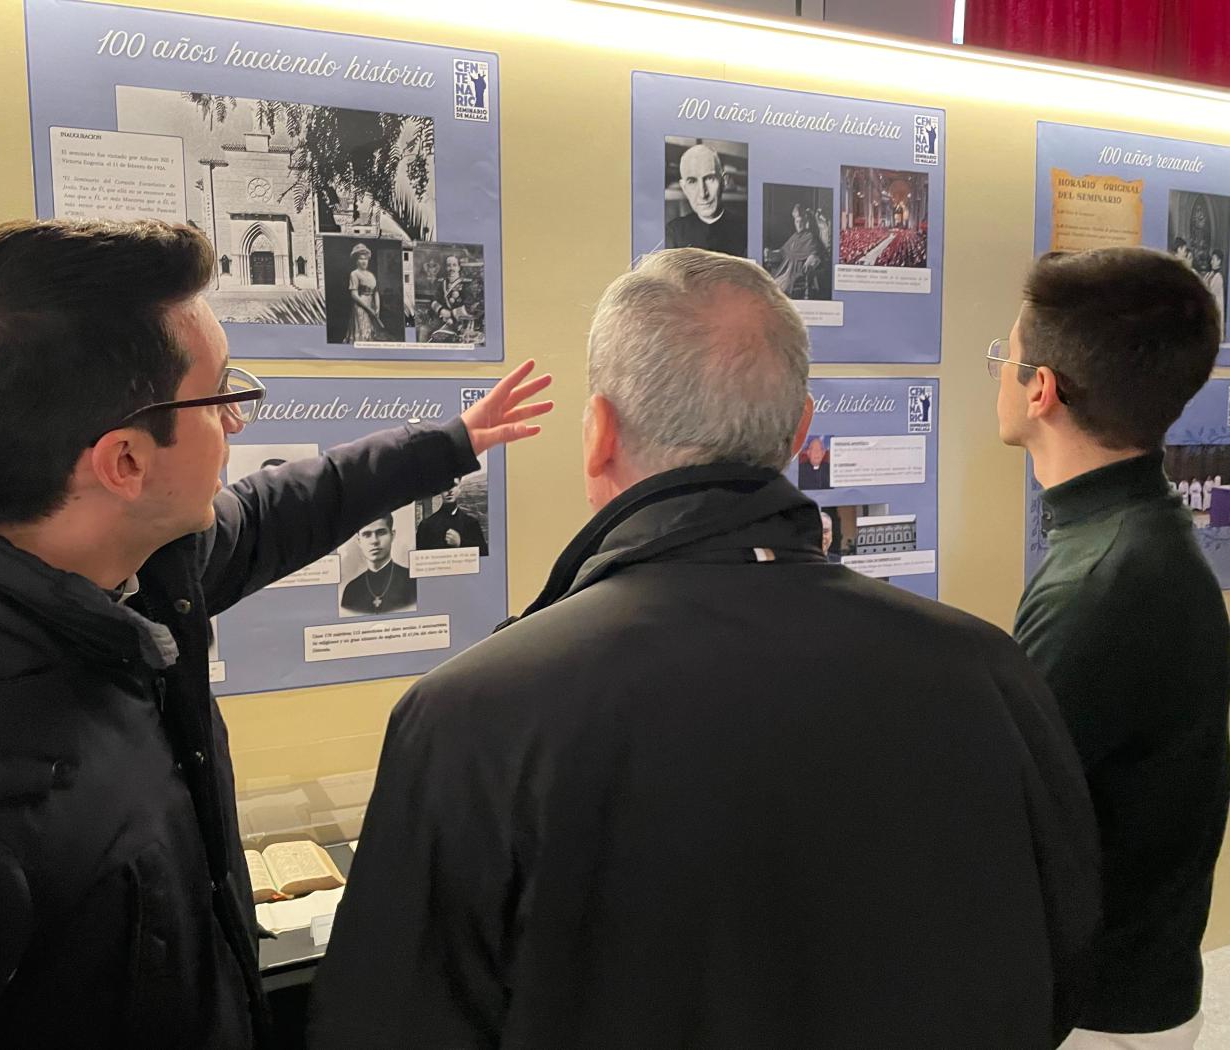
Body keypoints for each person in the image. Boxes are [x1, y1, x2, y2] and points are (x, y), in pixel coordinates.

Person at [310, 247, 1099, 1049]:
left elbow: (383, 1023)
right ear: (799, 432)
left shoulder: (473, 717)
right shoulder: (988, 672)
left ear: (598, 433)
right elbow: (1060, 959)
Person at [0, 218, 552, 1048]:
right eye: (221, 395)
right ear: (125, 463)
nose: (239, 423)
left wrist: (445, 445)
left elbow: (276, 512)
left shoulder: (124, 567)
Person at [995, 246, 1228, 1049]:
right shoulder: (1134, 535)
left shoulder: (1101, 581)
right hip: (1136, 988)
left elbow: (1005, 813)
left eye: (1006, 355)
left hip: (1100, 1020)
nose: (1002, 372)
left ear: (1041, 387)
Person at [664, 144, 746, 257]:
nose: (703, 194)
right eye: (692, 181)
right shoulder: (673, 232)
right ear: (684, 188)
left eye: (709, 179)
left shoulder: (745, 229)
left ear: (724, 181)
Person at [339, 514, 417, 615]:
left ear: (392, 535)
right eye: (367, 534)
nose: (374, 541)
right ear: (359, 541)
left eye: (381, 533)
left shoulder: (412, 581)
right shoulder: (351, 589)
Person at [766, 202, 829, 300]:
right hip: (786, 270)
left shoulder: (810, 237)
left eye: (801, 221)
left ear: (805, 222)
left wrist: (812, 257)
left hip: (799, 273)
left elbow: (817, 253)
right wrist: (771, 253)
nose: (799, 224)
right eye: (796, 222)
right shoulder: (794, 237)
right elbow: (783, 251)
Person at [415, 478, 489, 555]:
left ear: (460, 488)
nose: (450, 490)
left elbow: (484, 555)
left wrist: (461, 543)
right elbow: (419, 561)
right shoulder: (426, 526)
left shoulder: (472, 524)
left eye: (454, 485)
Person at [427, 254, 480, 343]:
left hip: (459, 323)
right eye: (448, 265)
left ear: (459, 267)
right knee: (425, 332)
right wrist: (441, 311)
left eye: (454, 265)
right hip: (441, 320)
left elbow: (469, 306)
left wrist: (451, 314)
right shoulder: (442, 283)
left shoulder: (466, 285)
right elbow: (433, 301)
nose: (451, 268)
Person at [344, 242, 387, 343]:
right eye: (361, 259)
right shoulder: (354, 274)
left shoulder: (371, 275)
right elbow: (354, 294)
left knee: (370, 331)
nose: (364, 261)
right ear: (356, 260)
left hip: (371, 304)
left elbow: (375, 292)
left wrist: (377, 308)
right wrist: (368, 309)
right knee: (362, 329)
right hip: (360, 305)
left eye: (366, 259)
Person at [1203, 248, 1224, 332]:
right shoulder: (1209, 274)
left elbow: (1210, 293)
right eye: (1211, 259)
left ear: (1219, 261)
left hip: (1214, 309)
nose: (1211, 261)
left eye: (1214, 259)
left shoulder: (1219, 277)